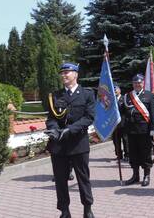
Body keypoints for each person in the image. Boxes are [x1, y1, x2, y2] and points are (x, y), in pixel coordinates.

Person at [45, 63, 95, 218]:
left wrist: (69, 130)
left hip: (78, 143)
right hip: (59, 145)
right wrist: (53, 129)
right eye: (62, 73)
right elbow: (51, 118)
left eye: (67, 72)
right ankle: (64, 210)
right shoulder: (55, 95)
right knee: (60, 180)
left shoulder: (87, 94)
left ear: (76, 74)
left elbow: (89, 117)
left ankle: (87, 208)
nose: (64, 75)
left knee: (83, 178)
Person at [123, 74, 154, 187]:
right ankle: (135, 175)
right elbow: (122, 111)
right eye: (135, 83)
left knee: (146, 153)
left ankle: (146, 175)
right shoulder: (128, 96)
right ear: (133, 84)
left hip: (144, 130)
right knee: (133, 154)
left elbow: (153, 113)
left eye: (139, 82)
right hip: (131, 130)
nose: (137, 84)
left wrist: (153, 128)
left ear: (143, 83)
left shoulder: (149, 95)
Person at [112, 85, 129, 162]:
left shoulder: (124, 98)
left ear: (120, 91)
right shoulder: (111, 100)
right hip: (114, 124)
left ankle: (127, 155)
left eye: (116, 89)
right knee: (116, 140)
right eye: (113, 89)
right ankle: (119, 155)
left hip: (123, 123)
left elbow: (127, 110)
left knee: (125, 140)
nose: (115, 91)